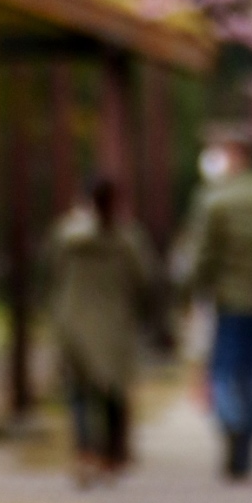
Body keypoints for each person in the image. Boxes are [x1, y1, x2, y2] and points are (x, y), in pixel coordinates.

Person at [193, 138, 252, 480]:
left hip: (228, 300)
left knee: (224, 369)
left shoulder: (217, 201)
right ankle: (248, 443)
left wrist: (195, 292)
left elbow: (205, 255)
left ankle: (231, 422)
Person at [50, 177, 156, 484]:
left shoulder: (66, 236)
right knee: (114, 391)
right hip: (114, 322)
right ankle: (113, 453)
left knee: (79, 392)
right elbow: (142, 279)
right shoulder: (128, 238)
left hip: (74, 320)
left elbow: (53, 272)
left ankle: (85, 452)